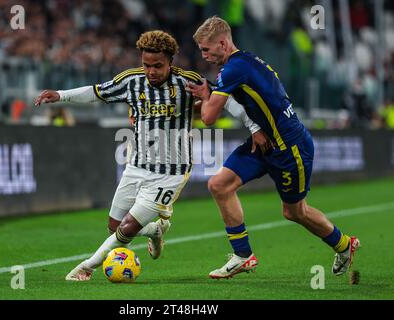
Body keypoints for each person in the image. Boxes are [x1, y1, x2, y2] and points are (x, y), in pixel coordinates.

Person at [35, 30, 264, 281]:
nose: (151, 71)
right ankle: (156, 230)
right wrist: (61, 95)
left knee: (128, 228)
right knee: (115, 227)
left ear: (170, 62)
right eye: (146, 65)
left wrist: (255, 128)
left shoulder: (187, 81)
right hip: (136, 166)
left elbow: (228, 102)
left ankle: (86, 267)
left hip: (172, 172)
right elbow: (97, 91)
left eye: (158, 66)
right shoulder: (131, 80)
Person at [187, 16, 360, 279]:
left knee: (294, 211)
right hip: (263, 142)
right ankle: (243, 256)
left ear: (222, 43)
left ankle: (344, 244)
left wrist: (205, 96)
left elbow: (209, 117)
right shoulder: (244, 62)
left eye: (206, 49)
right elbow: (246, 104)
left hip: (289, 148)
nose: (204, 55)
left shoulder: (234, 70)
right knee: (219, 185)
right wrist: (253, 128)